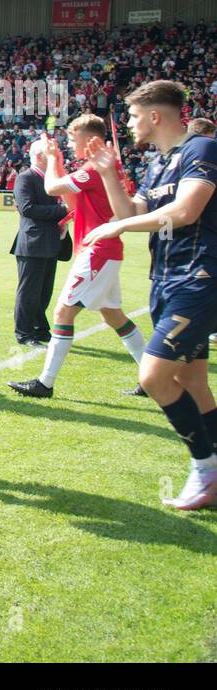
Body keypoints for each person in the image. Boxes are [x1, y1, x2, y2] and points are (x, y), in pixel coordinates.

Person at [81, 81, 217, 510]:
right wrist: (107, 174)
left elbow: (185, 210)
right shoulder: (158, 164)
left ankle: (205, 468)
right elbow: (131, 214)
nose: (131, 125)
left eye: (135, 117)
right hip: (165, 281)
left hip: (198, 278)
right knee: (191, 380)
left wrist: (119, 227)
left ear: (155, 116)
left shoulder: (202, 151)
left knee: (153, 377)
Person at [8, 116, 147, 398]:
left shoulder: (93, 168)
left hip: (98, 250)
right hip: (102, 249)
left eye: (73, 140)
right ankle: (150, 376)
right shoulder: (102, 168)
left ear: (90, 140)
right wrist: (57, 164)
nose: (70, 145)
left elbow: (51, 189)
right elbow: (72, 204)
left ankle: (45, 383)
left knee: (63, 312)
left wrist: (51, 158)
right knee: (114, 316)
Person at [9, 145, 65, 347]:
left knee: (43, 292)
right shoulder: (26, 177)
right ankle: (23, 332)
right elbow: (27, 208)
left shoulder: (50, 179)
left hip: (49, 242)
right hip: (33, 243)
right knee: (29, 291)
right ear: (40, 156)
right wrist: (62, 210)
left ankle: (40, 329)